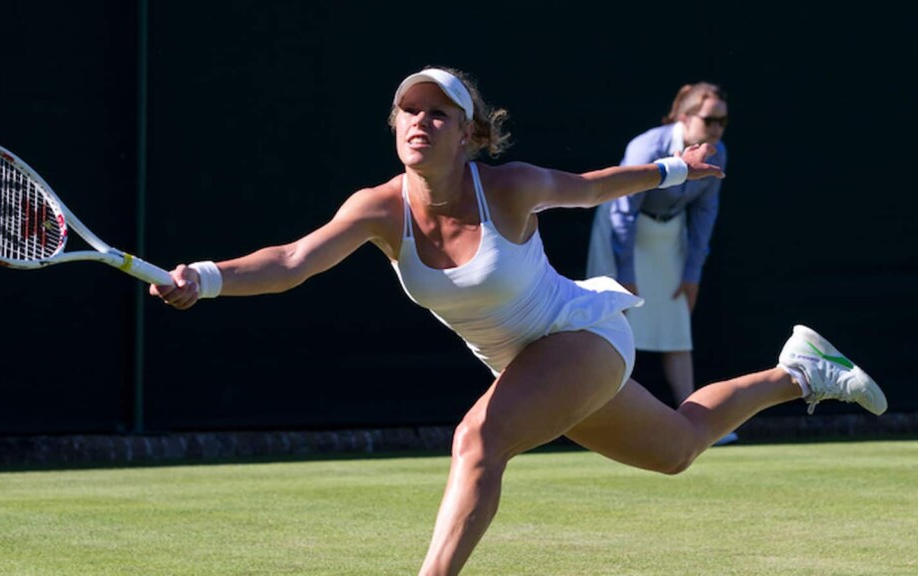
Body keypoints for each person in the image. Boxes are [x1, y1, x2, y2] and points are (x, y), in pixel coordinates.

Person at [150, 67, 887, 576]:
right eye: (410, 110)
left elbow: (593, 187)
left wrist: (674, 169)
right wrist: (206, 279)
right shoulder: (376, 209)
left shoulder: (507, 187)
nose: (421, 122)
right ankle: (799, 370)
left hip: (583, 337)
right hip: (526, 365)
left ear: (469, 133)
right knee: (678, 446)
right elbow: (291, 261)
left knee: (479, 438)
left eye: (439, 112)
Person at [586, 82, 737, 444]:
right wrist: (625, 275)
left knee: (676, 326)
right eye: (709, 119)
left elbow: (705, 214)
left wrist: (692, 274)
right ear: (685, 117)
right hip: (620, 231)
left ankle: (695, 420)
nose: (716, 128)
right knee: (615, 325)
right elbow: (623, 212)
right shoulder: (646, 147)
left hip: (669, 236)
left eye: (723, 121)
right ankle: (608, 420)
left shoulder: (718, 153)